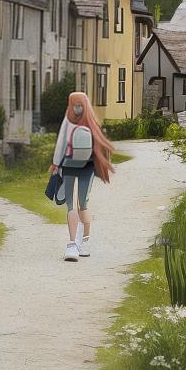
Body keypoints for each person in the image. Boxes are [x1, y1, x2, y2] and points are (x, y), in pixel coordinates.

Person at [49, 91, 115, 262]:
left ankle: (72, 245)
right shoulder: (91, 120)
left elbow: (61, 143)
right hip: (87, 167)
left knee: (72, 206)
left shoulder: (68, 120)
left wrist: (56, 164)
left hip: (70, 165)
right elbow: (99, 146)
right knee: (83, 204)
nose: (77, 108)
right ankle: (83, 244)